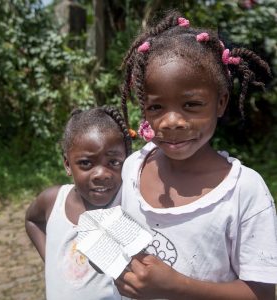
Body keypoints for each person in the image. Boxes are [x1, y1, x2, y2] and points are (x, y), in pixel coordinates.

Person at [115, 10, 277, 300]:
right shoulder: (131, 169)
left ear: (220, 102)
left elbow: (263, 292)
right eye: (156, 107)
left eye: (191, 104)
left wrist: (176, 286)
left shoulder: (244, 192)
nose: (171, 121)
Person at [25, 106, 132, 300]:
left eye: (114, 162)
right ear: (67, 164)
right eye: (86, 163)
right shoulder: (52, 201)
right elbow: (32, 221)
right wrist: (51, 260)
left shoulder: (125, 204)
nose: (101, 174)